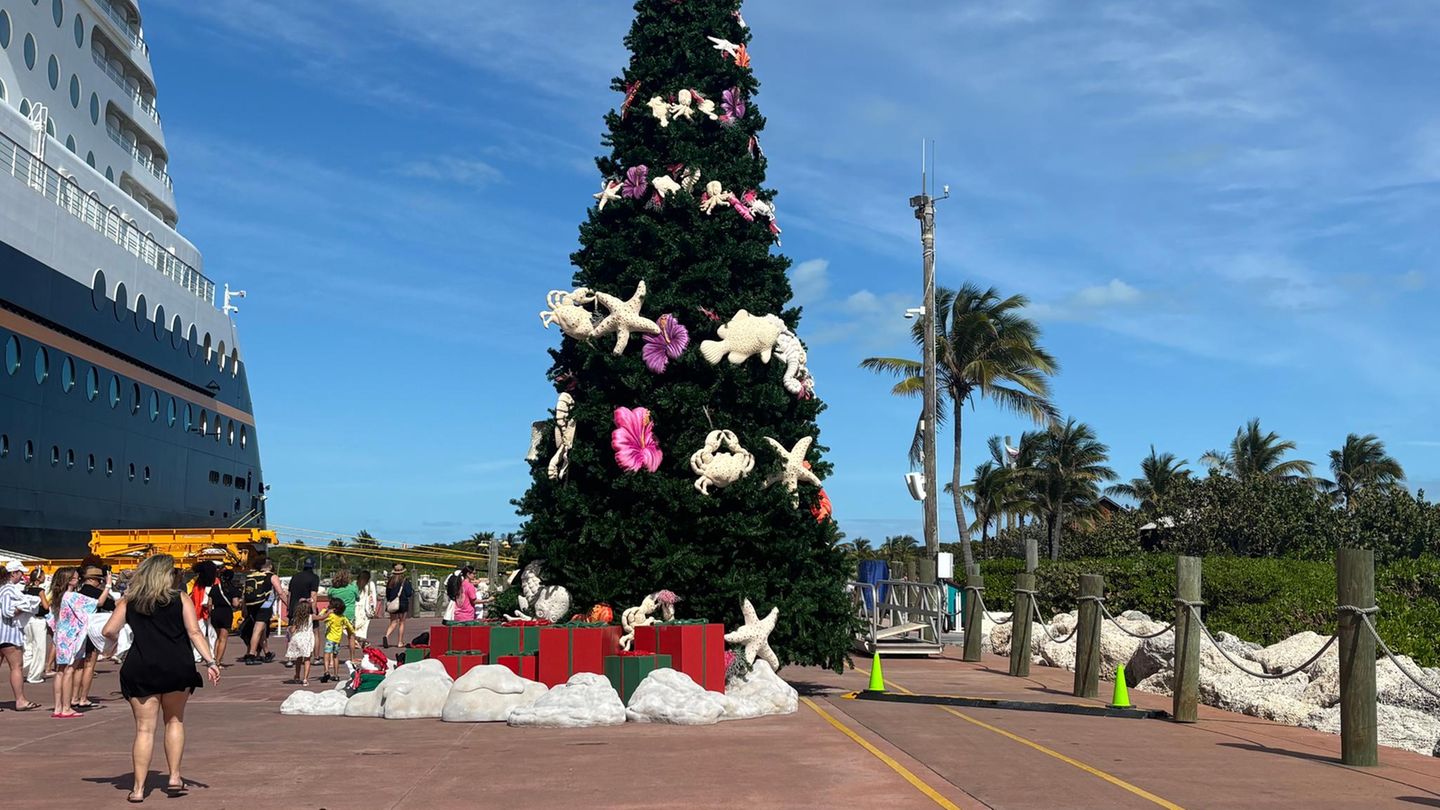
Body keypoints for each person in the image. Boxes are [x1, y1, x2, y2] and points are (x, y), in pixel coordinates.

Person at [103, 554, 220, 803]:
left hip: (141, 665)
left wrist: (113, 644)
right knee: (174, 721)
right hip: (177, 665)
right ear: (167, 574)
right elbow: (195, 632)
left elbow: (109, 630)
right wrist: (210, 661)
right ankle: (175, 777)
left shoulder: (129, 601)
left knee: (144, 729)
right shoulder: (180, 598)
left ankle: (137, 788)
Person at [52, 566, 105, 718]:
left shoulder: (59, 596)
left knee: (61, 671)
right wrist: (107, 585)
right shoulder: (71, 596)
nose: (77, 579)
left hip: (61, 636)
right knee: (70, 670)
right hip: (72, 636)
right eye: (74, 577)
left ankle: (58, 707)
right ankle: (66, 707)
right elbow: (98, 603)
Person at [73, 563, 116, 710]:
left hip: (78, 631)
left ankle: (74, 697)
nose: (100, 582)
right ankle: (84, 698)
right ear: (92, 580)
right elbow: (112, 605)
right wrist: (108, 587)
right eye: (99, 580)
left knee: (78, 666)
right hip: (90, 630)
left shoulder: (78, 592)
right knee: (89, 666)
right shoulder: (96, 592)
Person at [0, 560, 42, 710]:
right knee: (16, 666)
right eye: (20, 573)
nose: (22, 576)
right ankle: (20, 700)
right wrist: (24, 608)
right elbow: (7, 612)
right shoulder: (8, 590)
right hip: (8, 633)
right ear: (13, 574)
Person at [240, 559, 287, 665]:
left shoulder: (251, 575)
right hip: (264, 605)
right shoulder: (272, 576)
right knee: (257, 630)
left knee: (262, 630)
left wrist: (244, 609)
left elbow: (244, 595)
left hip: (252, 605)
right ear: (270, 567)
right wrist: (288, 605)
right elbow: (280, 592)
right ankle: (251, 655)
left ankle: (267, 653)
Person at [207, 564, 238, 668]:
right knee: (223, 638)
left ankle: (214, 658)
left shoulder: (215, 588)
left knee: (217, 637)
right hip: (226, 613)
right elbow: (235, 604)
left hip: (215, 612)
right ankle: (218, 662)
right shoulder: (233, 588)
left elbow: (209, 603)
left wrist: (210, 613)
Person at [21, 566, 48, 684]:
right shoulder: (40, 591)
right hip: (38, 619)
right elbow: (46, 607)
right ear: (39, 578)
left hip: (27, 619)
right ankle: (34, 675)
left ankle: (18, 668)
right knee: (39, 648)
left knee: (28, 647)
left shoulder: (25, 589)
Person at [318, 600, 355, 683]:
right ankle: (336, 675)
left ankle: (326, 671)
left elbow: (321, 617)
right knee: (335, 656)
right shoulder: (342, 617)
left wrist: (324, 611)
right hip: (337, 640)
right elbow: (349, 626)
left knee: (326, 655)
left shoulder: (331, 616)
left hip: (330, 639)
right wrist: (352, 631)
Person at [325, 569, 359, 656]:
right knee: (351, 636)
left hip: (336, 614)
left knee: (333, 637)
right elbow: (358, 598)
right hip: (350, 614)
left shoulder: (332, 589)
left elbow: (329, 599)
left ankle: (332, 660)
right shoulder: (352, 588)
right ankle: (352, 658)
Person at [283, 600, 315, 685]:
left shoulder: (296, 619)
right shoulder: (311, 617)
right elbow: (322, 617)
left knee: (298, 658)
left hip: (298, 639)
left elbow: (293, 630)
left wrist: (289, 628)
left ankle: (297, 676)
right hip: (307, 639)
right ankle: (305, 679)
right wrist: (329, 613)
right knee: (307, 658)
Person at [381, 565, 413, 648]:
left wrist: (390, 599)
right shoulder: (405, 581)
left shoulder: (390, 581)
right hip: (403, 603)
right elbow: (409, 593)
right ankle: (400, 642)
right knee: (402, 622)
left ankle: (386, 636)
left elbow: (387, 593)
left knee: (393, 622)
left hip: (393, 603)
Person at [352, 570, 377, 646]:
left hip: (355, 606)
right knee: (364, 626)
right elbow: (373, 597)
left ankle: (356, 640)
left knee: (354, 625)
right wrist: (374, 608)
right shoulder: (370, 584)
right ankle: (360, 641)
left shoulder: (354, 584)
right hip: (365, 608)